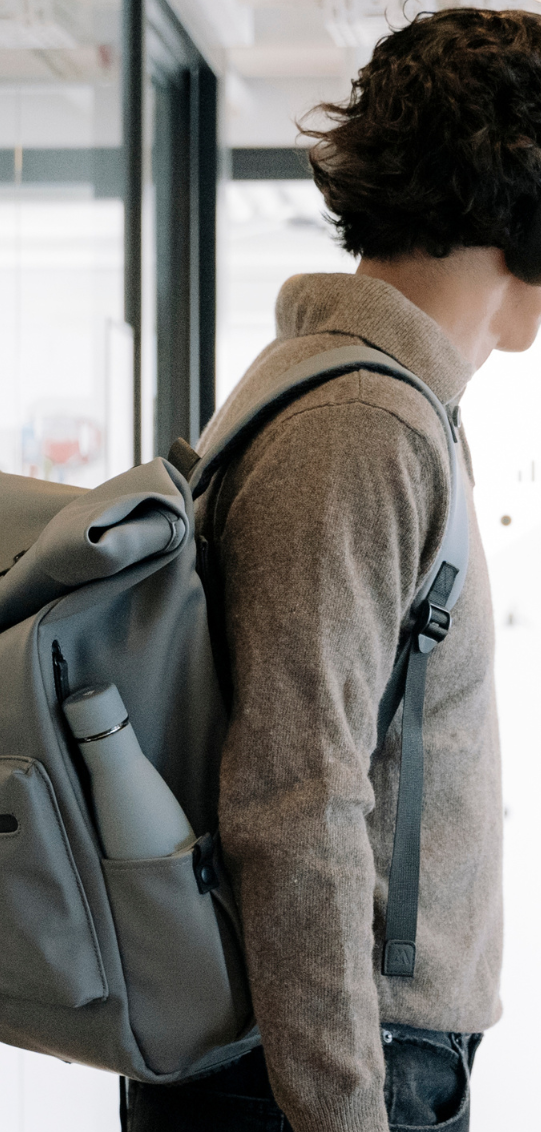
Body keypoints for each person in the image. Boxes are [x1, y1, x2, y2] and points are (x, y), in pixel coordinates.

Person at [125, 8, 541, 1131]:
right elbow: (294, 797)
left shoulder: (379, 400)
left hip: (337, 1056)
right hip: (329, 1071)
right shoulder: (361, 423)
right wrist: (346, 1111)